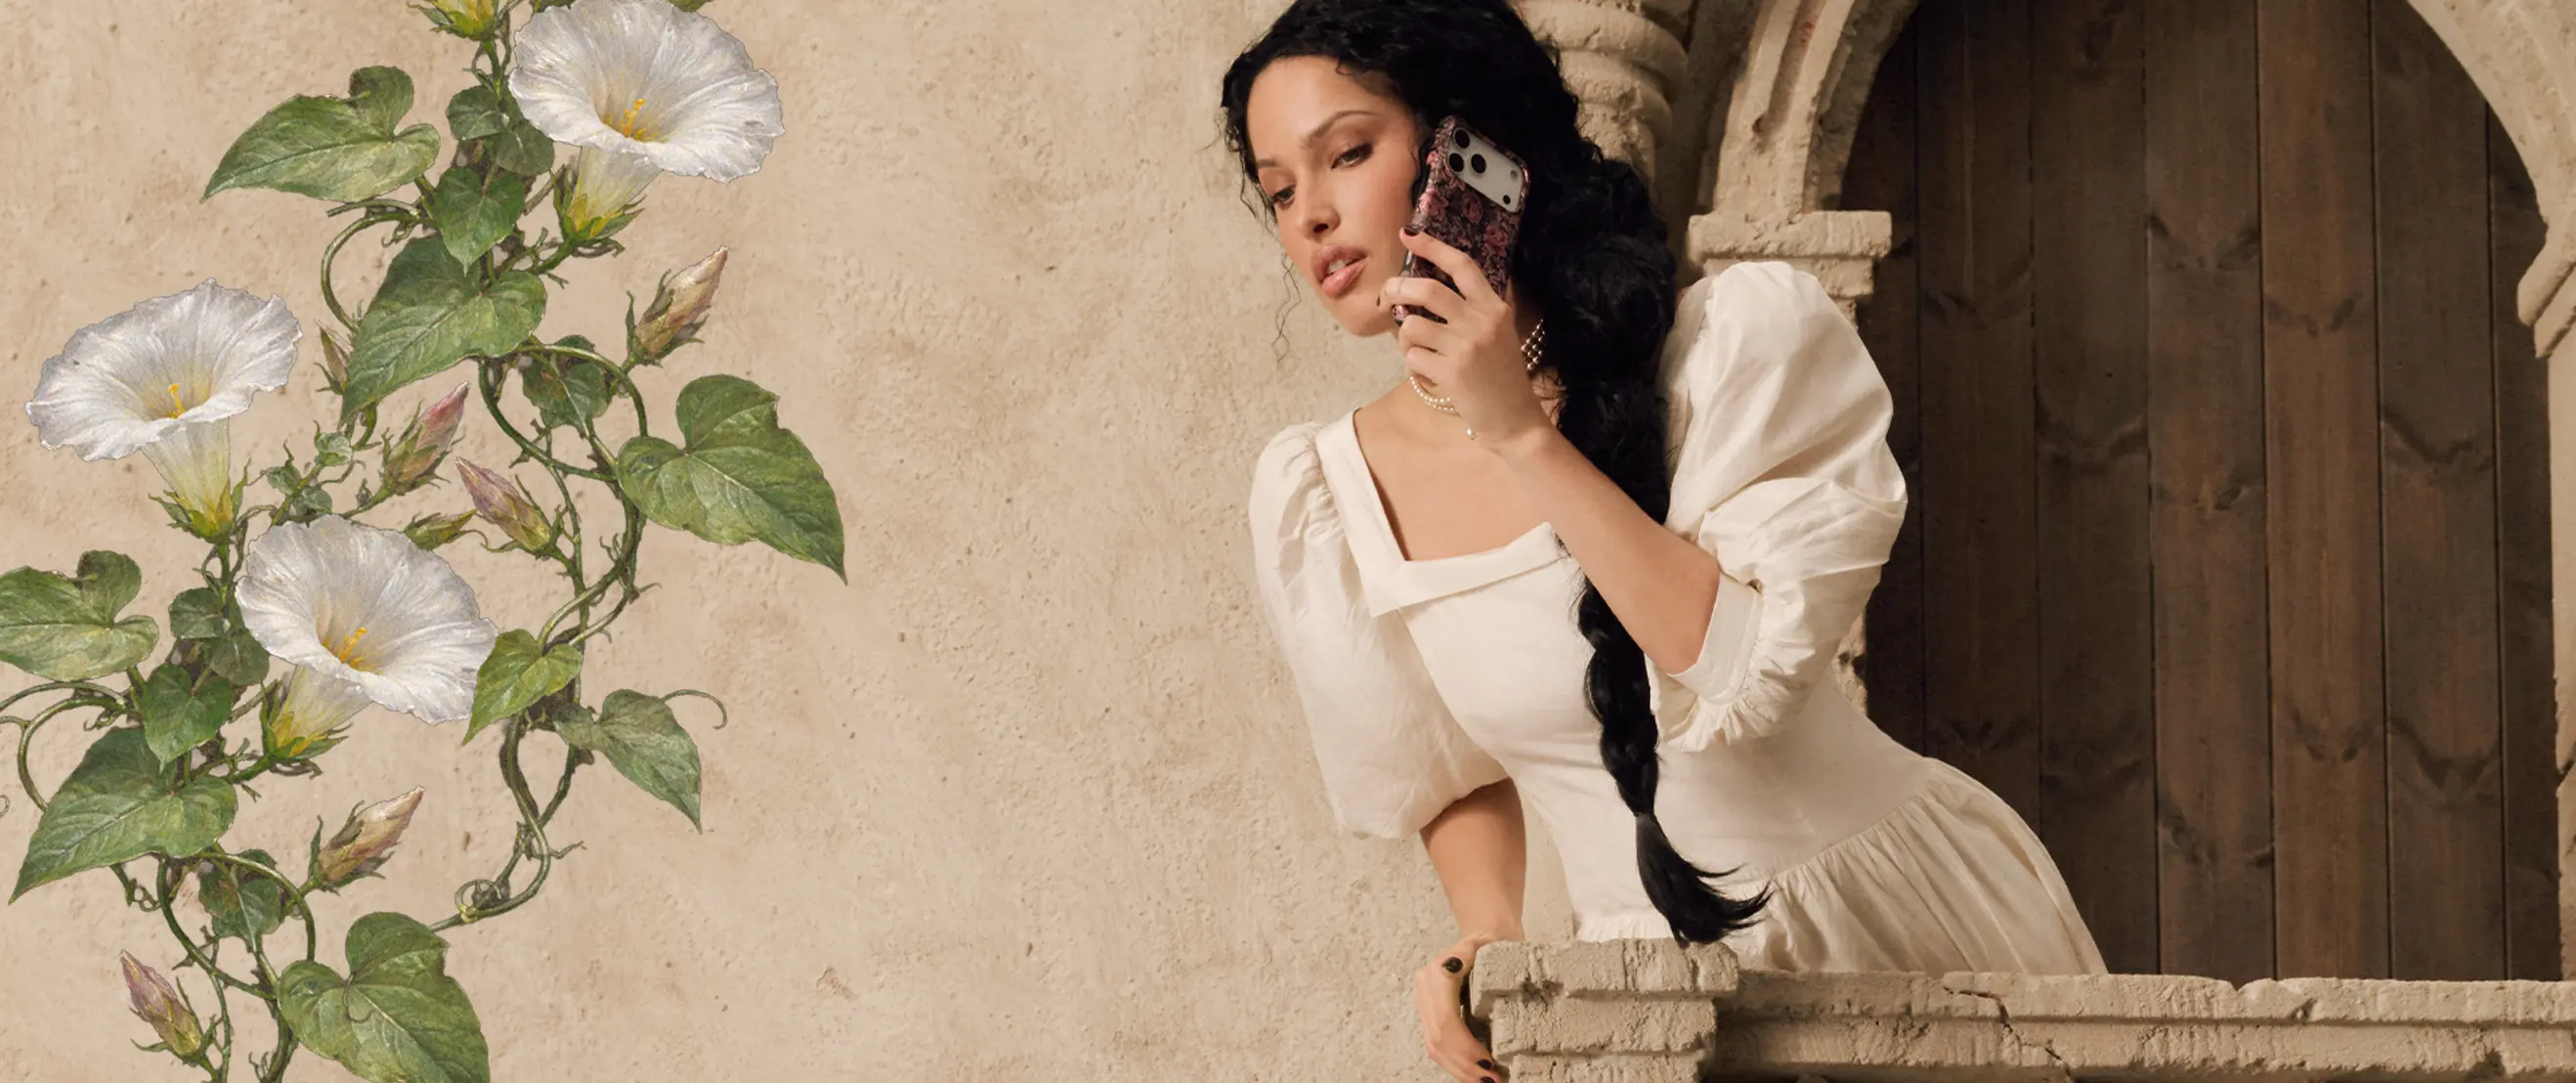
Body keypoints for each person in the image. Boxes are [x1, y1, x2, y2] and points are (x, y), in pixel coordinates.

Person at [1221, 1, 2108, 1080]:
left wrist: (1519, 435)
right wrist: (1486, 931)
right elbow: (1442, 768)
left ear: (1470, 149)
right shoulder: (1328, 488)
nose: (1311, 217)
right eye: (1279, 191)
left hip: (1888, 927)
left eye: (1348, 153)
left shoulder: (1722, 349)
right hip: (1638, 992)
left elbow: (1736, 673)